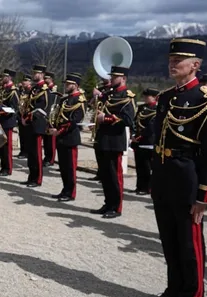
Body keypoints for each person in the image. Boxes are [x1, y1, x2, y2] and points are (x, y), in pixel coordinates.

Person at [141, 38, 207, 297]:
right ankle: (172, 290)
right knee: (168, 240)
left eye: (179, 60)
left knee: (189, 245)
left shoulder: (206, 100)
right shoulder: (166, 97)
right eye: (171, 59)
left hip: (189, 181)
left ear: (196, 65)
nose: (172, 64)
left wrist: (206, 195)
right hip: (165, 178)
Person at [90, 66, 135, 219]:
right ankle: (108, 203)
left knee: (114, 176)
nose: (112, 78)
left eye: (115, 76)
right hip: (102, 138)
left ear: (123, 78)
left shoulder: (127, 96)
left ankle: (116, 207)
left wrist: (107, 118)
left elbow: (129, 119)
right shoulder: (109, 94)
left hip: (115, 140)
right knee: (105, 174)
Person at [49, 73, 86, 201]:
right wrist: (53, 127)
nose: (66, 86)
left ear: (75, 85)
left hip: (70, 137)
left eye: (68, 84)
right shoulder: (64, 100)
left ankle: (71, 193)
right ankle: (65, 190)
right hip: (60, 137)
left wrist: (59, 130)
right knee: (63, 168)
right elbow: (57, 116)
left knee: (70, 168)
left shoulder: (80, 100)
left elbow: (75, 120)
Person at [23, 65, 49, 187]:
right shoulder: (34, 89)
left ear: (42, 74)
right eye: (34, 72)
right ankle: (31, 176)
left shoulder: (45, 89)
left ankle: (37, 179)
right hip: (30, 124)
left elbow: (42, 109)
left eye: (37, 73)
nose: (34, 75)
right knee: (31, 153)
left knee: (37, 154)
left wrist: (28, 118)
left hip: (37, 125)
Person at [130, 88, 158, 195]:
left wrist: (139, 136)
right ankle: (139, 186)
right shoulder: (142, 108)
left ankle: (147, 188)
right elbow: (135, 121)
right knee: (139, 166)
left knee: (147, 167)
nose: (146, 98)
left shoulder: (157, 109)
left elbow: (152, 126)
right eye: (145, 96)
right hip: (138, 141)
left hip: (148, 141)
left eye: (148, 96)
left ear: (154, 97)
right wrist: (133, 134)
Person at [0, 69, 19, 176]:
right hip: (1, 120)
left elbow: (14, 109)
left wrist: (0, 111)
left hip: (8, 121)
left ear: (10, 78)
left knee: (7, 146)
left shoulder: (13, 91)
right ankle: (3, 166)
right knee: (1, 146)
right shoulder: (2, 90)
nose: (2, 78)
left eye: (4, 76)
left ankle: (8, 168)